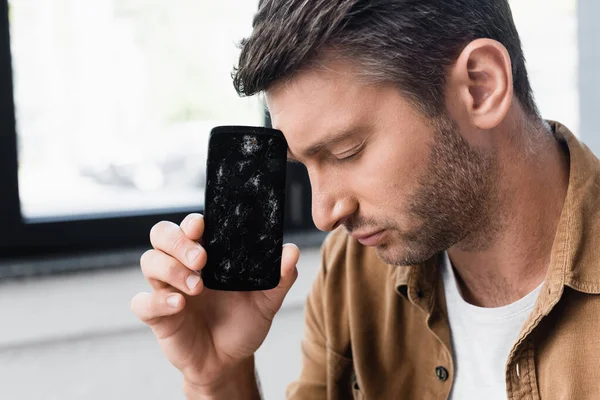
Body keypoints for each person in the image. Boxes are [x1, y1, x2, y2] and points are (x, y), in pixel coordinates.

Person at [131, 0, 600, 399]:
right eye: (302, 165)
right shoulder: (353, 272)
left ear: (480, 87)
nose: (323, 215)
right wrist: (218, 376)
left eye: (346, 151)